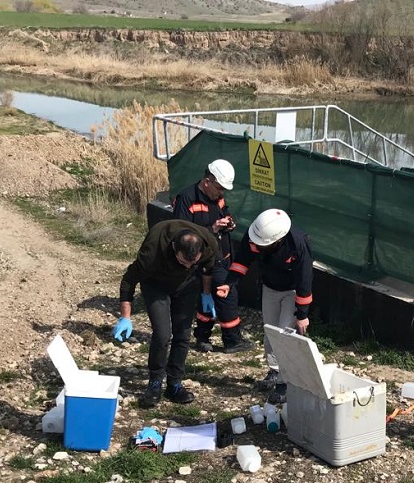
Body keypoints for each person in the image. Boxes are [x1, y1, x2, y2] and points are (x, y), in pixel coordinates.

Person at [113, 220, 219, 408]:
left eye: (191, 263)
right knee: (162, 335)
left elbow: (208, 269)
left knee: (183, 335)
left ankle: (174, 384)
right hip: (156, 285)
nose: (187, 266)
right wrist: (125, 317)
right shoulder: (153, 250)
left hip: (186, 286)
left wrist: (206, 293)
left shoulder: (209, 243)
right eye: (182, 262)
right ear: (173, 248)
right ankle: (155, 383)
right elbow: (129, 280)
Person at [218, 208, 313, 404]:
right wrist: (229, 282)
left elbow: (305, 279)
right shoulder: (256, 235)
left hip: (291, 291)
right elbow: (242, 260)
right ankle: (274, 371)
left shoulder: (297, 243)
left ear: (277, 240)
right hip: (269, 288)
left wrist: (302, 314)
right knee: (270, 333)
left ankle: (285, 383)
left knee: (285, 335)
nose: (259, 246)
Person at [170, 159, 253, 354]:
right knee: (227, 294)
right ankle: (232, 340)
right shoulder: (187, 198)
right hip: (201, 258)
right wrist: (212, 229)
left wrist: (229, 223)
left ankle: (202, 337)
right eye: (219, 188)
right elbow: (181, 233)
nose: (221, 193)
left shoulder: (218, 198)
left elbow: (225, 211)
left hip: (222, 254)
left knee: (208, 296)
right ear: (207, 181)